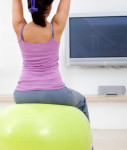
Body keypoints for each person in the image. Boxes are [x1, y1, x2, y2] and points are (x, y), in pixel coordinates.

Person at [12, 0, 93, 149]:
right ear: (49, 6)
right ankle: (89, 147)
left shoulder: (20, 28)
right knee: (81, 101)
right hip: (54, 92)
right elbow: (65, 5)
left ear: (30, 6)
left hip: (22, 94)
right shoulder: (55, 28)